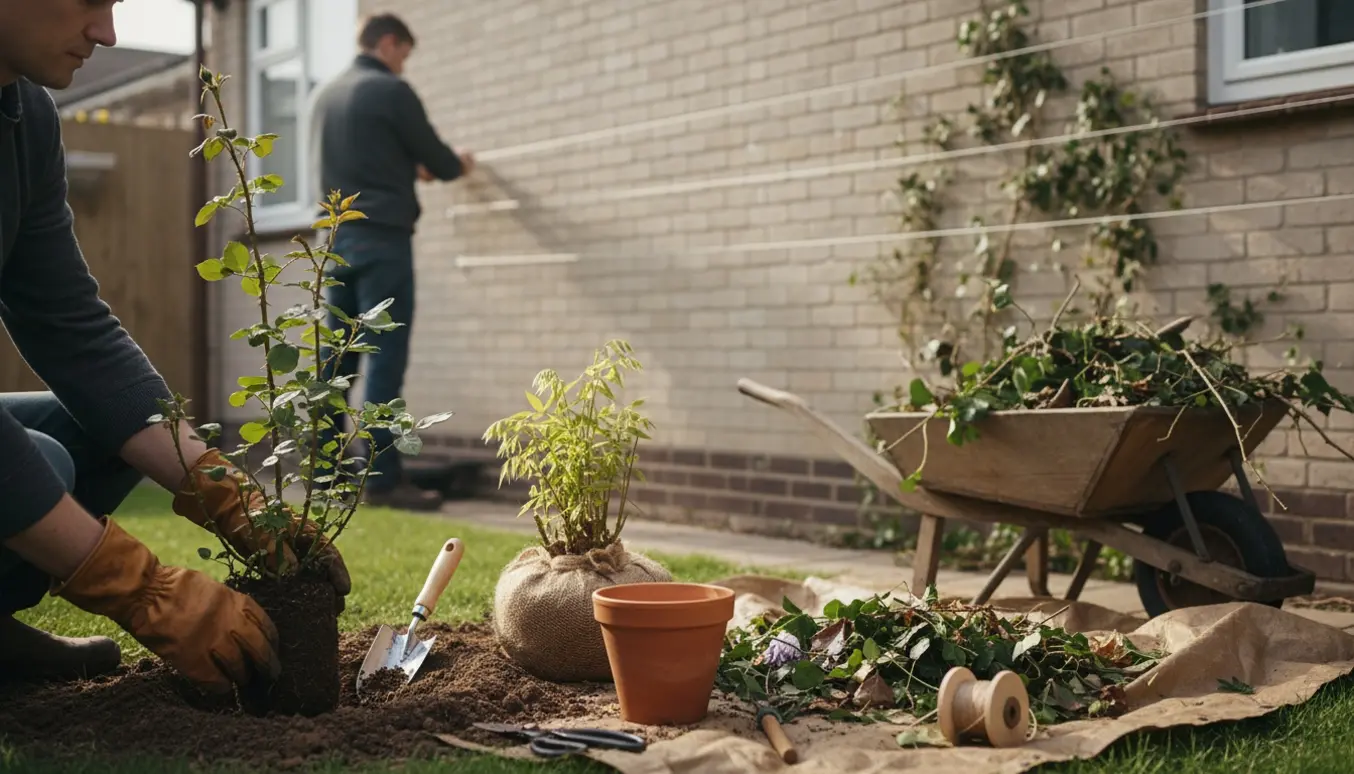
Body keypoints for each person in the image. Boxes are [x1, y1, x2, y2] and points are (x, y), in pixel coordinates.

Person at [0, 1, 350, 691]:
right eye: (88, 0)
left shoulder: (25, 119)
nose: (107, 33)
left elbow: (73, 329)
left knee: (102, 431)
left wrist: (226, 493)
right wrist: (139, 587)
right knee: (43, 458)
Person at [308, 12, 476, 512]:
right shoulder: (390, 91)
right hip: (382, 241)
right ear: (387, 42)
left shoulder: (325, 96)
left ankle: (325, 477)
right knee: (384, 357)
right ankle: (382, 480)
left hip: (334, 242)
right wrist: (458, 163)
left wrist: (405, 167)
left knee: (336, 362)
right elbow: (439, 159)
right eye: (404, 53)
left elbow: (365, 158)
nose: (404, 65)